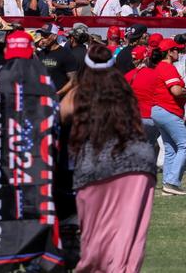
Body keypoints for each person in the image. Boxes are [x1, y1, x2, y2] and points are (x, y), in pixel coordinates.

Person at [62, 44, 156, 272]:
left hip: (96, 164)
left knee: (96, 231)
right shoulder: (125, 90)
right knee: (129, 230)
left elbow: (61, 116)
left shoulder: (80, 93)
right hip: (138, 163)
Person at [125, 43, 186, 196]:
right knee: (184, 145)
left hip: (140, 115)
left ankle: (165, 183)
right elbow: (175, 91)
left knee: (168, 148)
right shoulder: (163, 68)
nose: (179, 52)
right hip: (160, 112)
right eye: (176, 49)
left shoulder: (134, 73)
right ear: (169, 52)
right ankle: (172, 182)